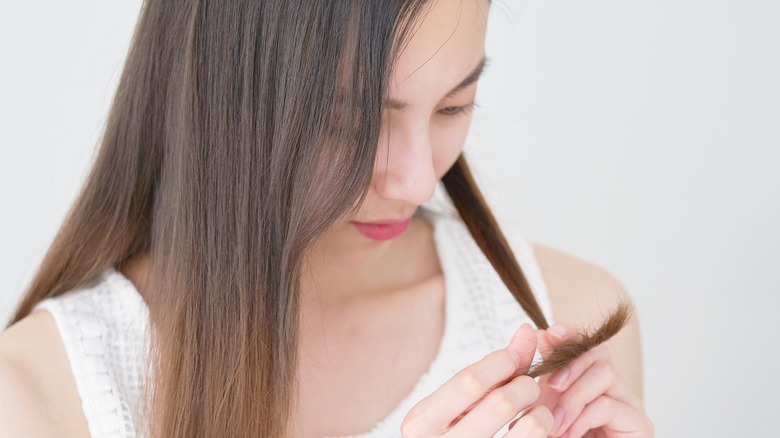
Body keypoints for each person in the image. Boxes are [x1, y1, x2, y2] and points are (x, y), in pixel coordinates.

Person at [0, 0, 652, 437]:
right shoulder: (40, 397)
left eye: (455, 106)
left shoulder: (568, 317)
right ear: (221, 94)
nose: (419, 179)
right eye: (351, 121)